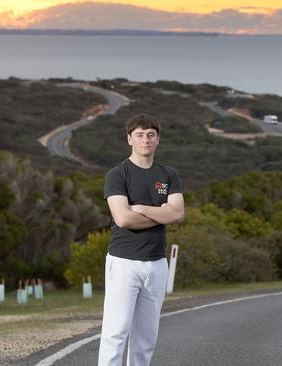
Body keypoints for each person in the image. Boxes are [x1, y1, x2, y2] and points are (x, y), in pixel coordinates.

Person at [98, 113, 185, 366]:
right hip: (124, 263)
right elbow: (123, 219)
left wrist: (142, 208)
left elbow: (178, 213)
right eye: (139, 134)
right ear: (129, 139)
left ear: (158, 139)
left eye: (150, 134)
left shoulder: (168, 174)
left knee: (145, 338)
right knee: (116, 333)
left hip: (156, 264)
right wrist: (162, 213)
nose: (145, 139)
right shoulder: (117, 174)